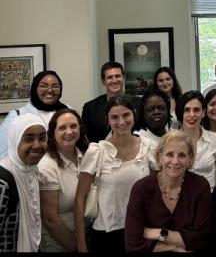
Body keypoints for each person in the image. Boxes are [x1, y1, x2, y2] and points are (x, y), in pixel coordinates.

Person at [74, 95, 158, 253]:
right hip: (106, 233)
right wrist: (82, 244)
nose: (121, 122)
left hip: (142, 229)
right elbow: (79, 199)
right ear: (107, 120)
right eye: (114, 117)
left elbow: (157, 191)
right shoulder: (97, 151)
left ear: (134, 114)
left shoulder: (149, 147)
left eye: (126, 115)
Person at [125, 130, 212, 252]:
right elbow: (133, 245)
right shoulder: (141, 189)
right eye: (169, 154)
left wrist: (160, 233)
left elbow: (201, 240)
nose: (175, 161)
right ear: (160, 156)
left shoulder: (201, 186)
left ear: (190, 158)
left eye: (182, 155)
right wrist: (173, 248)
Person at [175, 90, 216, 250]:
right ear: (180, 113)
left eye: (196, 110)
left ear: (203, 112)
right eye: (187, 110)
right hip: (177, 208)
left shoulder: (215, 140)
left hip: (209, 207)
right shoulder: (170, 140)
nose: (192, 115)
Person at [38, 109, 89, 252]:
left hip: (86, 233)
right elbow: (50, 219)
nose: (69, 131)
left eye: (73, 126)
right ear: (53, 132)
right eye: (62, 128)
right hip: (60, 239)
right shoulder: (47, 166)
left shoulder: (85, 155)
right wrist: (77, 247)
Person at [0, 113, 47, 252]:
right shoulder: (3, 182)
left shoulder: (31, 172)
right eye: (28, 139)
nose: (37, 145)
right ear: (15, 140)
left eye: (42, 138)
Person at [0, 70, 69, 159]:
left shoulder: (69, 111)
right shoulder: (17, 115)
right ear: (35, 88)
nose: (50, 90)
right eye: (43, 86)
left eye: (55, 86)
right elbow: (2, 153)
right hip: (31, 170)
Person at [81, 61, 141, 143]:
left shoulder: (138, 103)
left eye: (117, 76)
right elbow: (85, 138)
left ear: (124, 78)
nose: (114, 80)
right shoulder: (90, 107)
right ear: (103, 81)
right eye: (109, 77)